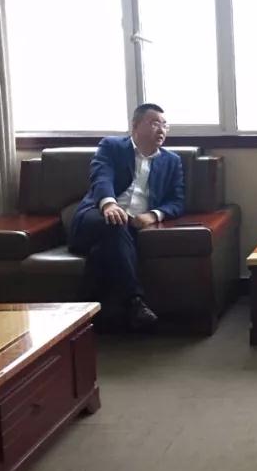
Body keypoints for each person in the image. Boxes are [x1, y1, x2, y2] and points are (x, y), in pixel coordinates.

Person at [69, 103, 184, 329]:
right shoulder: (112, 147)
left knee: (103, 250)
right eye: (154, 123)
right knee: (115, 223)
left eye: (165, 125)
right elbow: (101, 177)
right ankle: (134, 301)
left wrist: (154, 215)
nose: (161, 129)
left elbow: (177, 201)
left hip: (130, 227)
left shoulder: (172, 161)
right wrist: (109, 204)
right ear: (135, 126)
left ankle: (90, 317)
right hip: (95, 216)